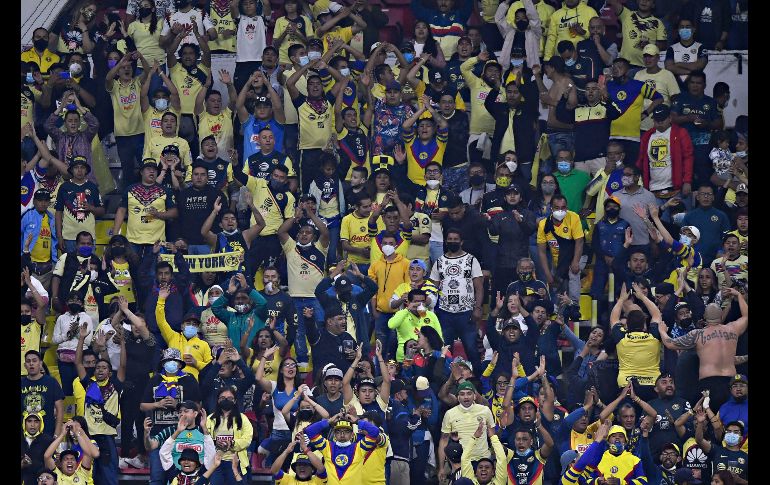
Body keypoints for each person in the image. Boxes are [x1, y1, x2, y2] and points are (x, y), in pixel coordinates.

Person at [659, 289, 747, 412]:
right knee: (729, 421)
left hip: (708, 383)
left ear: (705, 317)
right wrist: (738, 295)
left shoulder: (698, 334)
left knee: (709, 422)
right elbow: (746, 316)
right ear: (721, 315)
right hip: (730, 382)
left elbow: (670, 344)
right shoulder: (733, 329)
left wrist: (662, 330)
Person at [277, 202, 330, 368]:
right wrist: (296, 216)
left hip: (316, 299)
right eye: (301, 232)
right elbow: (281, 231)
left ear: (313, 237)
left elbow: (326, 232)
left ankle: (321, 357)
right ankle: (302, 362)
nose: (304, 235)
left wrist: (311, 214)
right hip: (295, 299)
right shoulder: (291, 248)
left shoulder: (320, 248)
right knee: (299, 331)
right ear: (297, 235)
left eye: (308, 232)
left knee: (320, 328)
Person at [73, 321, 126, 485]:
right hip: (88, 436)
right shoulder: (89, 384)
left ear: (110, 372)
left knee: (109, 477)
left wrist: (123, 343)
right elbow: (77, 363)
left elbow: (123, 365)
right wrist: (82, 338)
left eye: (104, 367)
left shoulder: (115, 385)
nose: (100, 369)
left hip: (106, 437)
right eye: (98, 368)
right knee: (89, 476)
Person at [430, 228, 485, 372]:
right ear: (446, 241)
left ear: (461, 242)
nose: (452, 242)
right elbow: (432, 288)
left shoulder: (471, 260)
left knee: (472, 350)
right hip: (445, 313)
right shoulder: (439, 262)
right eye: (450, 239)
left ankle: (479, 381)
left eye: (456, 239)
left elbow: (479, 287)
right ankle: (446, 382)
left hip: (466, 313)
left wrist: (478, 308)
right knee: (445, 351)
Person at [112, 158, 178, 261]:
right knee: (133, 272)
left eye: (154, 169)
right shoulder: (130, 189)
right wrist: (115, 234)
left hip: (156, 242)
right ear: (141, 172)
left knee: (154, 274)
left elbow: (174, 212)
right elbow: (121, 211)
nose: (152, 171)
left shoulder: (165, 190)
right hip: (132, 241)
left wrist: (159, 214)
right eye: (148, 169)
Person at [556, 81, 621, 177]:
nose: (590, 91)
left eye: (594, 89)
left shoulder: (605, 108)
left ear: (599, 92)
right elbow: (560, 116)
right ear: (584, 92)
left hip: (600, 157)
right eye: (587, 89)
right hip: (580, 159)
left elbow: (616, 113)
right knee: (581, 190)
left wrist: (607, 98)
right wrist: (564, 98)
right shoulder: (578, 110)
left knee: (602, 188)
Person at [670, 72, 723, 188]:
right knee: (682, 183)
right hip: (682, 148)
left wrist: (706, 124)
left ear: (704, 85)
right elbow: (672, 118)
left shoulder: (711, 102)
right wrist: (689, 118)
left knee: (704, 183)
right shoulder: (679, 99)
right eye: (692, 82)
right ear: (688, 84)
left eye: (698, 83)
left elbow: (719, 123)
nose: (695, 86)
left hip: (704, 150)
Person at [636, 104, 694, 208]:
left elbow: (688, 158)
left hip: (676, 189)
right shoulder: (647, 136)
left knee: (680, 222)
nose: (659, 122)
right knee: (656, 222)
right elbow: (641, 162)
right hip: (653, 190)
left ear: (670, 118)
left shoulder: (680, 133)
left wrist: (687, 181)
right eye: (657, 119)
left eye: (662, 119)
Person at [606, 57, 663, 161]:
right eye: (613, 67)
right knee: (613, 171)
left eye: (619, 67)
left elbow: (659, 98)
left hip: (633, 137)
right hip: (612, 137)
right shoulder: (608, 86)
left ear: (627, 70)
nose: (615, 69)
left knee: (631, 170)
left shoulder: (638, 85)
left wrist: (646, 113)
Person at [438, 381, 496, 483]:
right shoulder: (450, 414)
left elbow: (493, 436)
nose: (466, 397)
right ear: (458, 397)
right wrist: (442, 467)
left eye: (469, 393)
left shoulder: (485, 410)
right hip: (461, 463)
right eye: (462, 394)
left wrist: (496, 458)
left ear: (474, 396)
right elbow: (444, 441)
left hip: (483, 461)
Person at [536, 194, 584, 301]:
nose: (560, 211)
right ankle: (558, 312)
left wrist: (575, 262)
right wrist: (548, 274)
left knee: (573, 275)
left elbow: (579, 242)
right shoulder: (544, 224)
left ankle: (574, 307)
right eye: (557, 208)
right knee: (556, 283)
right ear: (551, 208)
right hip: (557, 257)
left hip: (576, 253)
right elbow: (542, 252)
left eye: (563, 208)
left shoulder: (574, 217)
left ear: (566, 208)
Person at [566, 421, 647, 483]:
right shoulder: (599, 458)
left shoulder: (635, 460)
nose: (617, 438)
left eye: (621, 436)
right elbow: (586, 480)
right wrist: (597, 482)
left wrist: (621, 483)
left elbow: (643, 482)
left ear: (625, 441)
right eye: (613, 436)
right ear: (608, 441)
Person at [204, 387, 254, 484]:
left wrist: (231, 443)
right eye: (222, 398)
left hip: (235, 463)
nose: (226, 400)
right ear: (218, 400)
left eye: (230, 398)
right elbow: (206, 440)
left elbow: (247, 440)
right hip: (215, 463)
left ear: (235, 401)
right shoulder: (210, 419)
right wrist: (215, 442)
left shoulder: (243, 419)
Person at [606, 0, 667, 69]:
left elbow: (662, 47)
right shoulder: (626, 15)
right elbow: (613, 2)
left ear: (653, 5)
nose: (644, 1)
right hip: (625, 65)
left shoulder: (658, 23)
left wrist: (649, 46)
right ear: (637, 1)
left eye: (648, 0)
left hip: (645, 66)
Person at [612, 164, 658, 250]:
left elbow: (653, 220)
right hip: (621, 243)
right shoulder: (615, 196)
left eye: (628, 175)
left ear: (637, 177)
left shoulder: (649, 196)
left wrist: (654, 242)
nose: (624, 177)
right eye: (623, 175)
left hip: (643, 242)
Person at [681, 185, 730, 265]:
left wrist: (721, 251)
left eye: (709, 194)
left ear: (713, 197)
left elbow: (727, 237)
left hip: (717, 259)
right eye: (703, 194)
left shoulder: (721, 216)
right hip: (694, 259)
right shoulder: (689, 216)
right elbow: (684, 239)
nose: (706, 196)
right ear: (697, 197)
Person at [21, 190, 59, 294]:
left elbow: (54, 240)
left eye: (46, 201)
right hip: (29, 264)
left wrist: (54, 260)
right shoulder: (27, 216)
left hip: (47, 266)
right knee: (27, 296)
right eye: (40, 200)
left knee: (43, 297)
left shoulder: (51, 218)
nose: (43, 203)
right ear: (34, 201)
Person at [694, 411, 747, 483]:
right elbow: (699, 440)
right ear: (725, 435)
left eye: (736, 432)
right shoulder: (716, 450)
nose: (731, 433)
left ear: (741, 438)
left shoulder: (746, 457)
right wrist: (700, 423)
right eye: (729, 431)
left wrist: (739, 480)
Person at [21, 351, 64, 439]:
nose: (31, 363)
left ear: (40, 364)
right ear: (25, 365)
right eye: (28, 361)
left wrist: (57, 433)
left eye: (34, 360)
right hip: (24, 436)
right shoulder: (21, 383)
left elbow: (60, 410)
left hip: (47, 434)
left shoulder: (51, 382)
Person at [458, 419, 508, 485]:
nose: (483, 469)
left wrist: (493, 437)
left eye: (487, 467)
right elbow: (464, 459)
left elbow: (502, 459)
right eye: (480, 467)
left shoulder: (498, 483)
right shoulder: (470, 482)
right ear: (476, 472)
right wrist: (474, 438)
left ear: (493, 472)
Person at [664, 19, 708, 89]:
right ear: (678, 30)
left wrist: (678, 64)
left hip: (695, 89)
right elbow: (669, 67)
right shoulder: (671, 48)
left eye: (687, 27)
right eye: (682, 27)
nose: (684, 29)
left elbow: (698, 66)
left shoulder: (701, 47)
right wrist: (691, 72)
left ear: (693, 29)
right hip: (675, 87)